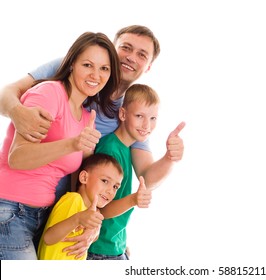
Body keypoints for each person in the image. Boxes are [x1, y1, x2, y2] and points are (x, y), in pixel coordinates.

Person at [0, 25, 185, 259]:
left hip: (57, 210)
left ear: (147, 66)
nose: (95, 74)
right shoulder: (53, 86)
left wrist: (92, 221)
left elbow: (142, 176)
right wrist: (18, 111)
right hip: (15, 207)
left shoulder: (118, 111)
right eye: (126, 48)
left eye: (142, 54)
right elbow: (8, 95)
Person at [0, 31, 121, 260]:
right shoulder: (49, 93)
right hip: (10, 209)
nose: (96, 74)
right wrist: (72, 144)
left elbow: (81, 181)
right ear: (72, 63)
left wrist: (90, 223)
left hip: (44, 216)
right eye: (88, 65)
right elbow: (17, 157)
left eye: (104, 68)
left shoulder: (86, 117)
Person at [88, 84, 160, 260]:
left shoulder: (126, 148)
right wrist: (134, 199)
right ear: (122, 114)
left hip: (115, 245)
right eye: (139, 116)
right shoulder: (110, 150)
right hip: (100, 249)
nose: (147, 125)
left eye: (153, 118)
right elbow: (98, 209)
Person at [37, 153, 124, 260]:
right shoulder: (74, 200)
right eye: (105, 181)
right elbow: (48, 238)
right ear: (84, 177)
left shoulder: (92, 212)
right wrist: (77, 219)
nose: (110, 191)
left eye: (115, 187)